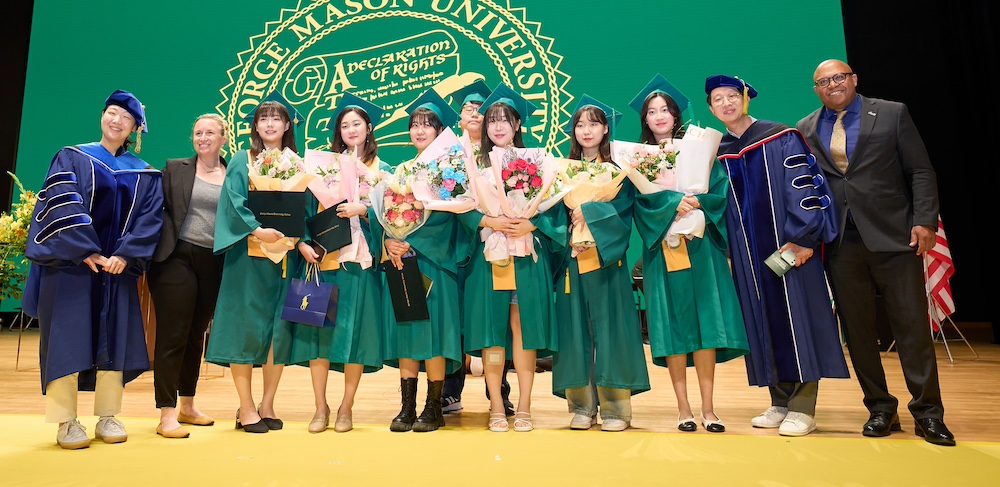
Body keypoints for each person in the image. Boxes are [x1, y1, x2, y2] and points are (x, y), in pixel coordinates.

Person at [796, 60, 954, 446]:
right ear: (816, 89)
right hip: (839, 243)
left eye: (839, 77)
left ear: (854, 80)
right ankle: (880, 409)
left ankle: (928, 414)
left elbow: (920, 170)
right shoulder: (805, 128)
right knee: (859, 333)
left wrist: (925, 220)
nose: (832, 85)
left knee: (912, 329)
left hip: (896, 238)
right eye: (823, 81)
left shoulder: (891, 113)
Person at [706, 74, 849, 437]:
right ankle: (780, 399)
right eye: (717, 99)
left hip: (789, 248)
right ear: (711, 108)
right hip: (746, 256)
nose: (726, 103)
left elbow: (805, 187)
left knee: (797, 319)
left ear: (745, 98)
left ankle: (803, 407)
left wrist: (803, 238)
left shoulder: (781, 136)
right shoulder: (718, 151)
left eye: (731, 96)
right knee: (762, 320)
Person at [23, 90, 163, 449]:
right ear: (102, 116)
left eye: (125, 118)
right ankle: (66, 421)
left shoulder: (145, 173)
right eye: (111, 113)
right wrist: (85, 248)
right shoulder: (72, 157)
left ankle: (108, 415)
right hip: (71, 266)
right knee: (67, 338)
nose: (116, 121)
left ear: (135, 129)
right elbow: (60, 203)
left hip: (116, 270)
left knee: (114, 338)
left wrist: (125, 255)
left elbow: (149, 218)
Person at [630, 75, 749, 433]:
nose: (659, 115)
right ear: (646, 121)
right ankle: (683, 409)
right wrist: (671, 202)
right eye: (652, 111)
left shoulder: (700, 147)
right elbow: (640, 203)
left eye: (665, 109)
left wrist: (696, 200)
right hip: (663, 252)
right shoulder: (637, 160)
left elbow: (720, 190)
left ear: (675, 114)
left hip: (700, 248)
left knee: (705, 325)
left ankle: (709, 409)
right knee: (674, 327)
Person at [460, 84, 566, 433]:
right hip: (489, 258)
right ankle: (495, 407)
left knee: (524, 331)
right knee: (492, 335)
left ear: (518, 124)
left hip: (525, 258)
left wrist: (532, 223)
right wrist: (487, 220)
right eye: (492, 120)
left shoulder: (538, 161)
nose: (498, 126)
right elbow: (460, 209)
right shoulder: (470, 163)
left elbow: (557, 208)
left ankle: (524, 406)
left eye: (506, 119)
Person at [206, 92, 303, 434]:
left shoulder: (297, 163)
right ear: (255, 126)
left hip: (283, 258)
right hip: (248, 255)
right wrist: (258, 229)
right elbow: (233, 202)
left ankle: (268, 403)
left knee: (278, 331)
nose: (270, 124)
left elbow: (303, 209)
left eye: (276, 118)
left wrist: (298, 238)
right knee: (244, 330)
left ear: (287, 124)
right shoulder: (241, 159)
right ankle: (246, 407)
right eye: (263, 118)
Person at [551, 95, 649, 432]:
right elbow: (549, 214)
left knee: (611, 331)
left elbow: (624, 213)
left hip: (607, 261)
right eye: (580, 124)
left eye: (593, 123)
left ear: (606, 128)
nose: (586, 130)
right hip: (573, 261)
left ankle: (616, 408)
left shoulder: (618, 173)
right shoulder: (560, 171)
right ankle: (581, 406)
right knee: (575, 330)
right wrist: (570, 221)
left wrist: (588, 211)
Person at [291, 93, 387, 433]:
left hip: (359, 261)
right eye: (344, 125)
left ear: (368, 128)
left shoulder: (382, 170)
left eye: (356, 124)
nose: (350, 129)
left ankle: (346, 407)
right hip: (323, 259)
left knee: (355, 335)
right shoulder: (321, 167)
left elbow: (394, 216)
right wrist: (302, 242)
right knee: (319, 336)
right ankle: (320, 407)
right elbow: (303, 209)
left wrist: (366, 209)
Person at [378, 89, 464, 432]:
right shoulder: (400, 170)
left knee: (435, 332)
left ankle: (434, 407)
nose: (419, 130)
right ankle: (406, 407)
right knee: (408, 330)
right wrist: (389, 239)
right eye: (414, 125)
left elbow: (453, 216)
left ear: (440, 130)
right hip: (403, 262)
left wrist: (411, 239)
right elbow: (383, 211)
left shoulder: (451, 168)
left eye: (427, 125)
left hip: (435, 261)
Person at [148, 113, 228, 439]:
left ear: (224, 138)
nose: (203, 138)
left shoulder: (234, 174)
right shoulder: (174, 168)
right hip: (175, 257)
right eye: (198, 132)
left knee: (196, 335)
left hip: (214, 261)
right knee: (173, 333)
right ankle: (166, 414)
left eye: (210, 133)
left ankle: (188, 406)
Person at [441, 79, 515, 416]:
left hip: (494, 246)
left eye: (480, 109)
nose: (475, 113)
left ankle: (498, 389)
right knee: (455, 320)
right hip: (456, 246)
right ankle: (450, 390)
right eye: (468, 109)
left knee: (493, 319)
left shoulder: (499, 151)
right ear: (458, 116)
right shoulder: (449, 152)